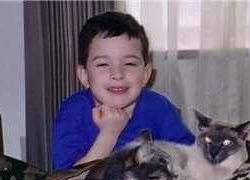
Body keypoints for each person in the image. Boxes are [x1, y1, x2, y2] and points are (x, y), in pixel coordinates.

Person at [52, 11, 195, 171]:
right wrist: (109, 134)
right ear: (84, 75)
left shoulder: (159, 107)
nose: (118, 74)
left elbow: (189, 158)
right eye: (103, 64)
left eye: (129, 64)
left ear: (145, 75)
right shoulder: (73, 111)